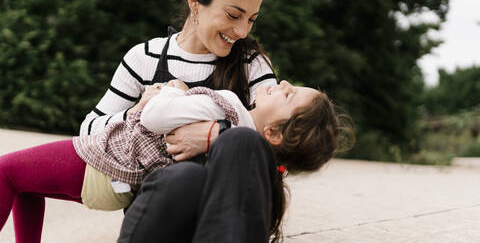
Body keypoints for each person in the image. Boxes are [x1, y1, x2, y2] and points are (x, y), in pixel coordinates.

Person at [0, 78, 346, 242]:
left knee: (7, 172)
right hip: (124, 181)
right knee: (26, 186)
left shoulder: (226, 104)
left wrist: (172, 90)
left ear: (273, 133)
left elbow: (154, 117)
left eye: (287, 94)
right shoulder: (250, 186)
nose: (281, 82)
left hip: (107, 160)